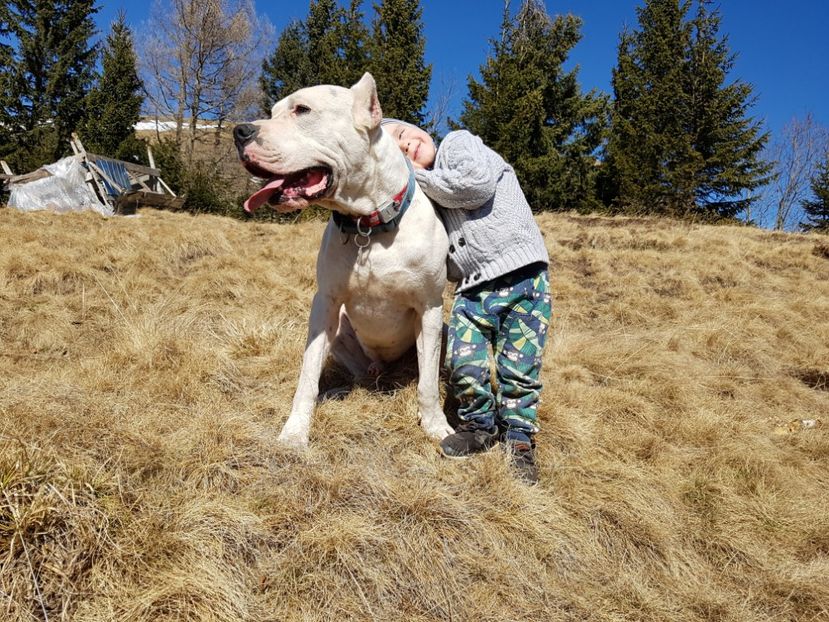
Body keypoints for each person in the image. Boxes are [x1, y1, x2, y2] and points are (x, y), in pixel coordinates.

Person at [381, 119, 551, 484]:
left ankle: (518, 439)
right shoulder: (428, 196)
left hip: (523, 276)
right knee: (461, 360)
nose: (404, 146)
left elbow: (475, 186)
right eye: (394, 152)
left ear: (419, 129)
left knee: (519, 366)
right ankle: (478, 425)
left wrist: (412, 176)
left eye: (402, 135)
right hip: (472, 289)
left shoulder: (457, 146)